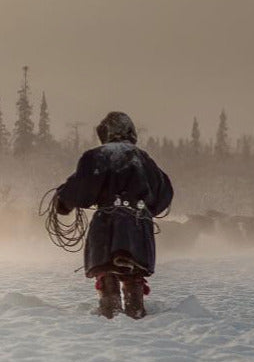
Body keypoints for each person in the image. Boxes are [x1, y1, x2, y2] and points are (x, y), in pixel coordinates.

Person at [55, 111, 173, 319]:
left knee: (107, 272)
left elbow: (81, 190)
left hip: (106, 226)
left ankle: (110, 317)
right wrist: (144, 208)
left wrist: (63, 203)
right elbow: (164, 194)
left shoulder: (96, 157)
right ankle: (136, 314)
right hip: (138, 227)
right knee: (134, 275)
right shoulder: (144, 159)